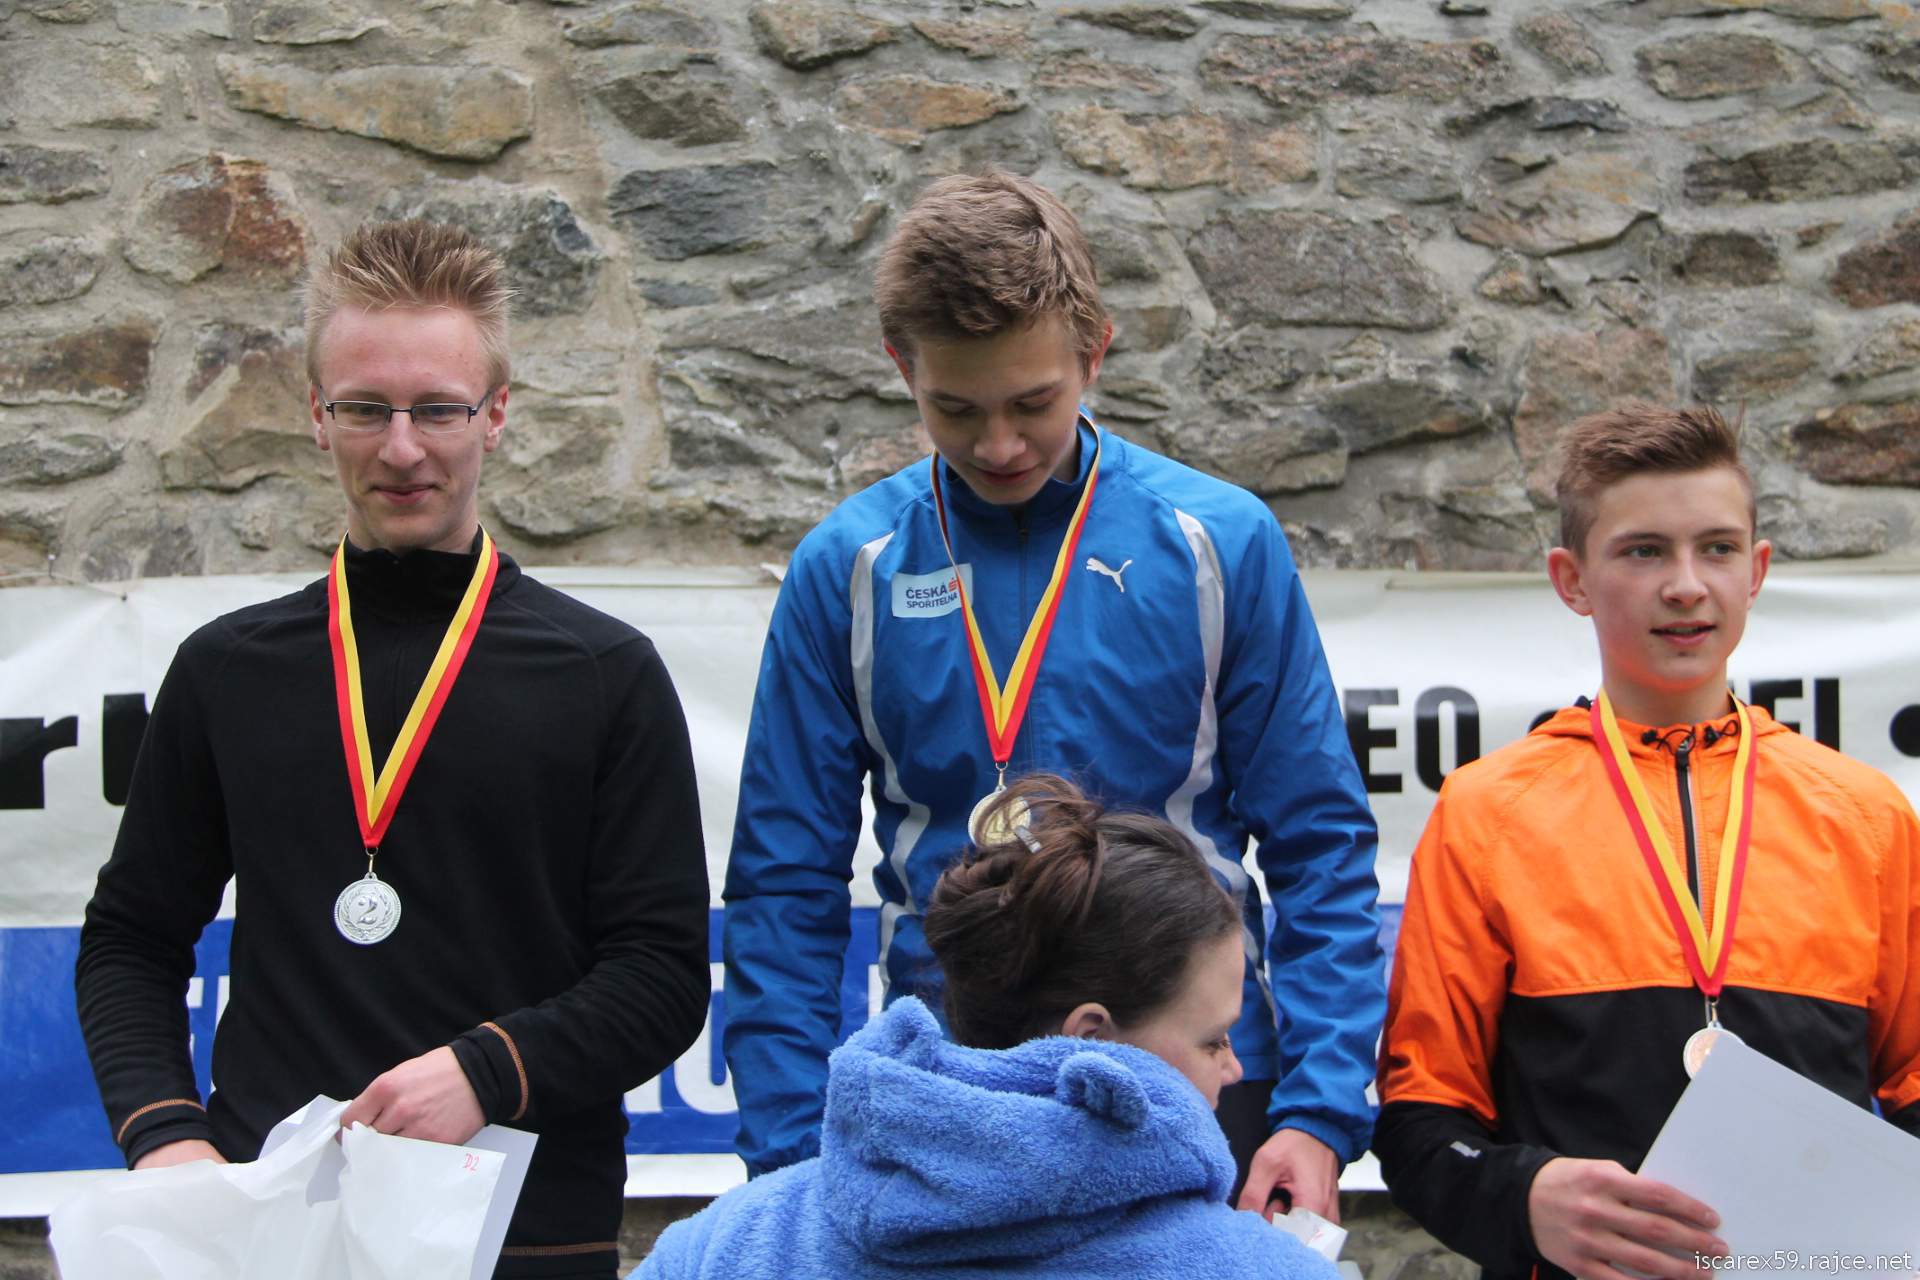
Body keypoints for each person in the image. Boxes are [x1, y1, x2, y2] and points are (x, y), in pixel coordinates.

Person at [722, 170, 1384, 1219]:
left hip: (1196, 1078)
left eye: (1034, 402)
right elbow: (782, 885)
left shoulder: (1219, 542)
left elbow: (1320, 844)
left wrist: (1318, 1113)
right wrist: (788, 1159)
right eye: (955, 408)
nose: (999, 446)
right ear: (901, 365)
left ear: (1095, 352)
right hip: (953, 1089)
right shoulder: (848, 566)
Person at [74, 219, 711, 1278]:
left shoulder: (604, 672)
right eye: (366, 408)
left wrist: (487, 1072)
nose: (403, 448)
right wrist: (164, 1133)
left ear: (495, 414)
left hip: (526, 1235)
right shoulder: (229, 670)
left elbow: (662, 975)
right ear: (317, 417)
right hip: (276, 1228)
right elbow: (131, 939)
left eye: (438, 409)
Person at [1375, 403, 1920, 1280]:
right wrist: (1523, 1197)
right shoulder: (1487, 814)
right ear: (1572, 580)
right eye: (1643, 551)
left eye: (1717, 548)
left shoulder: (1865, 814)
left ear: (1757, 570)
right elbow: (1421, 1120)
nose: (1686, 585)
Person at [646, 775, 1339, 1279]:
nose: (1235, 1067)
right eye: (1213, 1039)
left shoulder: (723, 1246)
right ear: (1092, 1043)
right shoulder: (1261, 1270)